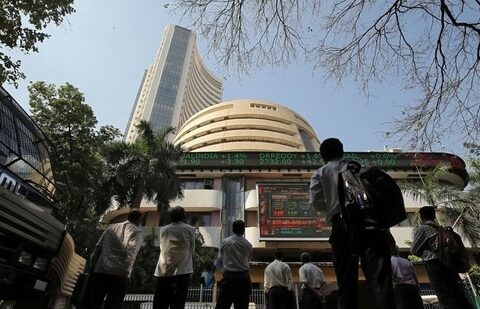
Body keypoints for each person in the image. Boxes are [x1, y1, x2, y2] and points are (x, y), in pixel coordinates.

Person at [309, 138, 395, 309]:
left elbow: (316, 203)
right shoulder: (362, 168)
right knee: (380, 281)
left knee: (346, 282)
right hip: (373, 226)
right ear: (342, 151)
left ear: (323, 156)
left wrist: (333, 208)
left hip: (342, 226)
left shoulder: (321, 173)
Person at [411, 206, 473, 309]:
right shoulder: (440, 229)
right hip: (449, 263)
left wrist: (424, 252)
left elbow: (413, 250)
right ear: (434, 216)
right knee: (458, 295)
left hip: (435, 266)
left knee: (445, 296)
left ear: (421, 216)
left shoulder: (424, 228)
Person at [88, 210, 143, 309]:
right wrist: (126, 272)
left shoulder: (111, 227)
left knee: (94, 301)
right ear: (139, 219)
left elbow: (98, 247)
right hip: (118, 273)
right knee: (113, 303)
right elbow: (131, 253)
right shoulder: (136, 231)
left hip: (101, 269)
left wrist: (92, 265)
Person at [152, 206, 195, 309]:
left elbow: (162, 247)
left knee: (160, 304)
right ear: (183, 216)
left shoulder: (164, 230)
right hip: (182, 272)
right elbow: (192, 250)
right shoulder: (189, 229)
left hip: (163, 272)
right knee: (178, 304)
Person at [215, 220, 253, 309]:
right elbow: (247, 261)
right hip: (243, 279)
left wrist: (224, 271)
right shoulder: (249, 245)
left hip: (228, 279)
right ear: (243, 230)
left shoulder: (225, 242)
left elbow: (218, 262)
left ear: (233, 229)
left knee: (222, 306)